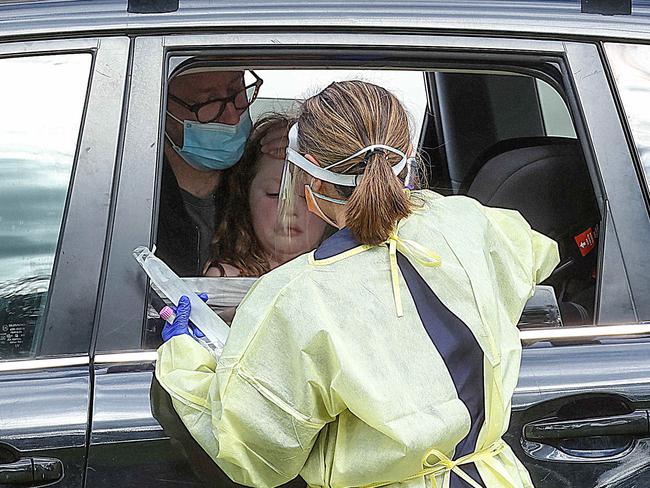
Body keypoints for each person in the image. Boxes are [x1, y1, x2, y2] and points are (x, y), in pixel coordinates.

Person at [155, 80, 559, 488]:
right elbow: (537, 255)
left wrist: (184, 357)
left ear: (308, 172)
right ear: (407, 157)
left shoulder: (298, 297)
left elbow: (255, 454)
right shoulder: (470, 223)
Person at [158, 64, 287, 276]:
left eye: (236, 90)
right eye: (208, 101)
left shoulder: (261, 166)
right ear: (161, 105)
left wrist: (306, 153)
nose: (232, 117)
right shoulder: (127, 187)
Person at [204, 114, 328, 277]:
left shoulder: (345, 278)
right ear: (245, 197)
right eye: (274, 193)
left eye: (307, 196)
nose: (289, 209)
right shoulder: (225, 279)